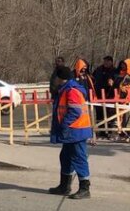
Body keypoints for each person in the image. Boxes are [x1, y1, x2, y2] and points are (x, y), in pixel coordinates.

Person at [49, 65, 92, 199]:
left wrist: (64, 125)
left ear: (60, 78)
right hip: (71, 130)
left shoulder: (72, 90)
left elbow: (75, 111)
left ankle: (85, 188)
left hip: (76, 130)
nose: (53, 80)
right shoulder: (65, 89)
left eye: (54, 77)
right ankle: (64, 186)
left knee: (79, 158)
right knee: (66, 157)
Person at [92, 55, 117, 139]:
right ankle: (101, 131)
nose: (105, 63)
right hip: (98, 94)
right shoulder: (98, 69)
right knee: (99, 113)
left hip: (109, 94)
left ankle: (109, 131)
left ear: (111, 62)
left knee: (109, 113)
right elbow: (93, 78)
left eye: (107, 61)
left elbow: (116, 82)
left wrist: (112, 83)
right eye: (104, 61)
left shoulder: (114, 70)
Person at [116, 59, 130, 142]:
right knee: (122, 118)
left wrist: (126, 89)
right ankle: (123, 134)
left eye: (125, 65)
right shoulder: (122, 74)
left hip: (127, 100)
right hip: (122, 99)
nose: (122, 66)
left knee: (127, 118)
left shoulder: (128, 76)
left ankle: (127, 133)